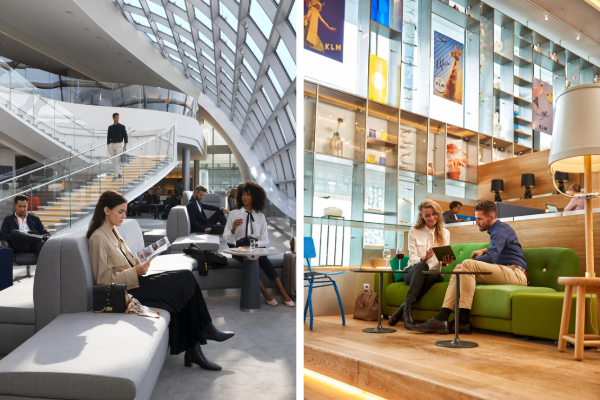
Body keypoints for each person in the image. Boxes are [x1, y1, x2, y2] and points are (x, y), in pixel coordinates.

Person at [87, 190, 234, 371]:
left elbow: (125, 261)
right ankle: (203, 333)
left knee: (185, 278)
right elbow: (102, 280)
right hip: (126, 291)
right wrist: (136, 271)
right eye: (120, 211)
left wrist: (145, 257)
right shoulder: (97, 238)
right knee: (184, 281)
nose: (124, 216)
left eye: (125, 211)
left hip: (135, 282)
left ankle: (195, 347)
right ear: (106, 210)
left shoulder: (114, 233)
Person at [409, 200, 528, 334]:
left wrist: (470, 261)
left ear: (491, 217)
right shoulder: (499, 230)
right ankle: (443, 318)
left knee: (466, 264)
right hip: (506, 271)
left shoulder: (500, 229)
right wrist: (484, 250)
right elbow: (497, 248)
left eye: (479, 219)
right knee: (459, 271)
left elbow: (492, 258)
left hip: (516, 273)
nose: (476, 222)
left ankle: (462, 319)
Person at [223, 182, 294, 307]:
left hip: (255, 246)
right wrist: (234, 229)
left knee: (263, 260)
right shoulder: (234, 214)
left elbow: (265, 240)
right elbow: (227, 238)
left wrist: (253, 246)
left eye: (248, 195)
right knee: (249, 260)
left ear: (255, 197)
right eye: (243, 194)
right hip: (239, 248)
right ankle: (265, 293)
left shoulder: (260, 216)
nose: (245, 197)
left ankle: (283, 292)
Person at [388, 200, 453, 329]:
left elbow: (442, 261)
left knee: (433, 273)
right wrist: (424, 258)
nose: (431, 218)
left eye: (434, 214)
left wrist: (445, 262)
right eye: (427, 215)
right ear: (421, 216)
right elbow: (412, 259)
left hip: (433, 274)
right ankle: (408, 312)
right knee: (424, 266)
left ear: (438, 214)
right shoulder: (414, 231)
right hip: (413, 272)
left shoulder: (445, 233)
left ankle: (404, 308)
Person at [107, 113, 128, 182]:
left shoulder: (122, 127)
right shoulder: (110, 127)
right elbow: (108, 136)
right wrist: (108, 144)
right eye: (116, 117)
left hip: (119, 144)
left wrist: (125, 145)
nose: (117, 119)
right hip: (111, 144)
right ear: (113, 118)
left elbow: (125, 136)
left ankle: (116, 176)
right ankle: (119, 173)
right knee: (113, 160)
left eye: (118, 117)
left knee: (117, 160)